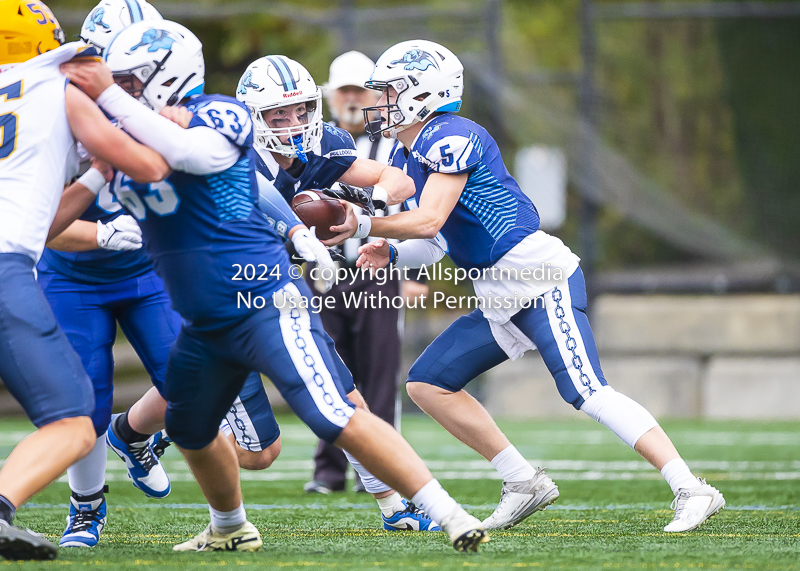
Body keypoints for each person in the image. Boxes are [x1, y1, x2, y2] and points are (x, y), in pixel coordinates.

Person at [62, 21, 488, 552]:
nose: (291, 124)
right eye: (278, 115)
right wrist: (104, 222)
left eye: (127, 81)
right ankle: (187, 487)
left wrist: (334, 220)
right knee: (216, 435)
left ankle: (424, 507)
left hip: (261, 291)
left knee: (340, 405)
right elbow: (83, 201)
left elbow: (239, 175)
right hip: (205, 309)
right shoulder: (127, 136)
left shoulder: (217, 119)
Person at [353, 39, 726, 533]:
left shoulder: (450, 134)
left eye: (390, 89)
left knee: (586, 390)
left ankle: (690, 486)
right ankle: (522, 480)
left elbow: (427, 221)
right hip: (500, 293)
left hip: (539, 279)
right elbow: (437, 240)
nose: (379, 99)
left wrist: (362, 225)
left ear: (423, 91)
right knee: (427, 384)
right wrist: (391, 252)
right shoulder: (415, 152)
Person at [236, 54, 440, 532]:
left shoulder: (327, 142)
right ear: (253, 117)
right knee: (256, 453)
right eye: (278, 116)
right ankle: (138, 432)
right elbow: (262, 205)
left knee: (347, 397)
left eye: (302, 110)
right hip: (227, 292)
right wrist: (298, 228)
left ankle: (395, 506)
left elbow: (398, 179)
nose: (294, 124)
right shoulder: (233, 150)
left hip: (285, 291)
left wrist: (364, 207)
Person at [0, 0, 172, 559]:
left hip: (45, 261)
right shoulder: (62, 88)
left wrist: (94, 176)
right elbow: (149, 167)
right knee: (74, 420)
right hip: (11, 269)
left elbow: (46, 221)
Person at [304, 50, 428, 499]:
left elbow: (415, 209)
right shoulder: (309, 146)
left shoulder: (393, 146)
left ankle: (378, 468)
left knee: (378, 371)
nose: (354, 99)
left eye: (361, 91)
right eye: (346, 92)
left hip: (377, 270)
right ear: (332, 98)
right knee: (328, 368)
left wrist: (406, 262)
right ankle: (329, 470)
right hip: (322, 271)